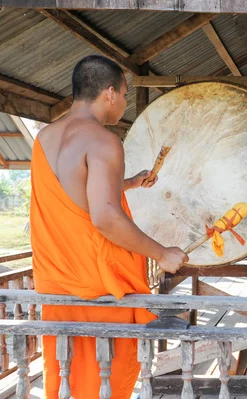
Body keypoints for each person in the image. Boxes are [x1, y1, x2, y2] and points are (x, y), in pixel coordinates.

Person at [30, 55, 188, 398]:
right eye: (126, 95)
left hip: (57, 284)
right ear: (110, 93)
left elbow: (76, 192)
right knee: (105, 380)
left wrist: (128, 183)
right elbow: (104, 218)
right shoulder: (103, 140)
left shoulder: (44, 138)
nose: (125, 103)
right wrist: (162, 253)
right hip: (96, 287)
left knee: (67, 375)